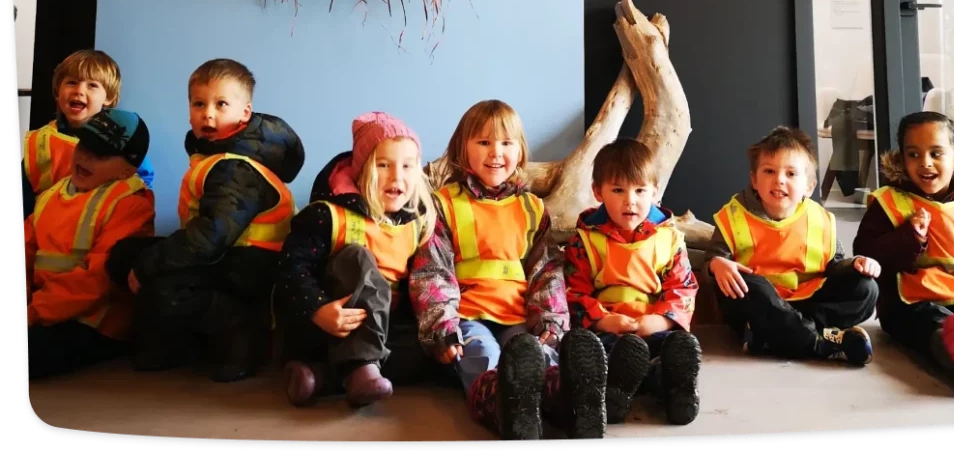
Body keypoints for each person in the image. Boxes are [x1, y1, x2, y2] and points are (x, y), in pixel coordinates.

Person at [409, 99, 607, 441]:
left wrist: (550, 322)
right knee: (484, 358)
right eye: (483, 142)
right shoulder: (444, 203)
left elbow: (546, 270)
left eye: (505, 143)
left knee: (538, 356)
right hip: (468, 318)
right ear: (462, 148)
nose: (495, 152)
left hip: (519, 317)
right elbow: (432, 272)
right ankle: (506, 408)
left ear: (520, 151)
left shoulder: (531, 208)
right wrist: (441, 328)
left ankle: (572, 402)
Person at [109, 58, 304, 382]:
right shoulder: (215, 155)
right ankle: (186, 340)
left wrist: (149, 267)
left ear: (245, 112)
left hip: (252, 268)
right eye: (199, 103)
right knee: (124, 256)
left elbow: (211, 237)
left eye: (221, 104)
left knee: (158, 281)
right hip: (227, 257)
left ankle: (242, 329)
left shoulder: (236, 166)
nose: (208, 113)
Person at [276, 112, 448, 407]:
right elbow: (291, 268)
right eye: (384, 165)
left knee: (427, 352)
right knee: (357, 256)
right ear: (361, 169)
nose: (397, 176)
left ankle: (320, 378)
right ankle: (357, 366)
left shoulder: (418, 222)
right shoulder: (327, 215)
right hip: (328, 325)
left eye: (407, 166)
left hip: (382, 331)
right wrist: (317, 310)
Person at [853, 111, 954, 400]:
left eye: (936, 153)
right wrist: (910, 237)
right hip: (911, 303)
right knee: (936, 327)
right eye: (914, 154)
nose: (925, 163)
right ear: (901, 159)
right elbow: (866, 253)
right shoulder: (891, 202)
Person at [707, 126, 880, 365]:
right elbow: (713, 259)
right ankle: (819, 344)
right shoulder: (733, 215)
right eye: (769, 171)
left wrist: (856, 264)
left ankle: (775, 336)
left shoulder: (818, 218)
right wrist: (718, 264)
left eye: (790, 174)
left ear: (809, 186)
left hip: (807, 299)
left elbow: (834, 265)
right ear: (754, 180)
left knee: (866, 288)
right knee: (750, 286)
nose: (778, 179)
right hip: (760, 303)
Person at [564, 138, 702, 428]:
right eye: (618, 190)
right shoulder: (585, 239)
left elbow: (682, 288)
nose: (631, 200)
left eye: (640, 190)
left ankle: (677, 390)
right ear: (597, 192)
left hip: (653, 326)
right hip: (610, 329)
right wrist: (603, 320)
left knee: (675, 346)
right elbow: (574, 291)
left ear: (654, 191)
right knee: (594, 352)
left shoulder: (669, 239)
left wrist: (661, 321)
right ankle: (616, 393)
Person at [22, 109, 155, 379]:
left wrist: (33, 313)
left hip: (96, 323)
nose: (86, 157)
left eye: (102, 154)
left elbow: (97, 281)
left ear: (127, 169)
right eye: (84, 145)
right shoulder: (51, 195)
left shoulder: (130, 203)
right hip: (43, 310)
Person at [21, 50, 155, 220]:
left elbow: (141, 182)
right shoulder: (39, 141)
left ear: (109, 97)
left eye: (92, 85)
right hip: (46, 232)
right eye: (71, 82)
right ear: (57, 91)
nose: (79, 91)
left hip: (100, 230)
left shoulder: (122, 141)